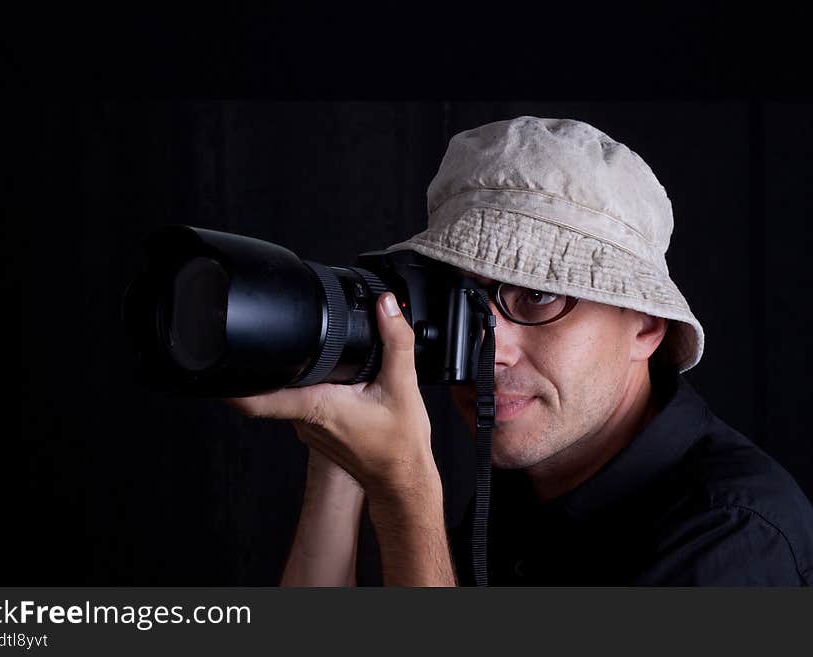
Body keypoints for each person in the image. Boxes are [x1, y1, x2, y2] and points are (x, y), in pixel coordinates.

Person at [225, 116, 813, 586]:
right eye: (464, 300)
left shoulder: (730, 540)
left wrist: (406, 489)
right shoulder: (533, 478)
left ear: (646, 329)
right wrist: (339, 450)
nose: (489, 346)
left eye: (537, 296)